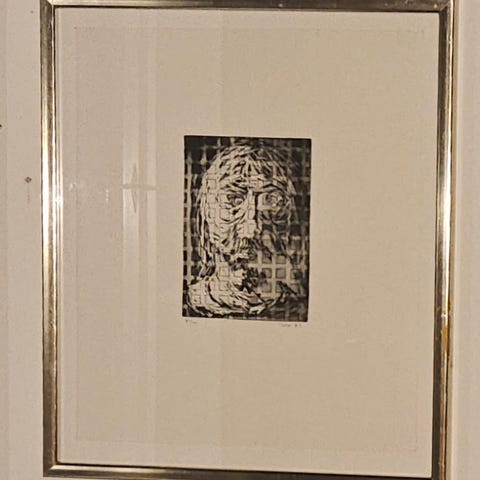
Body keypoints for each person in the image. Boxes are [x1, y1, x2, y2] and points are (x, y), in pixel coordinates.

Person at [186, 142, 308, 321]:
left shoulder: (298, 306)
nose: (251, 230)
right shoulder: (194, 303)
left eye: (272, 201)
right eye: (233, 199)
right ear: (206, 213)